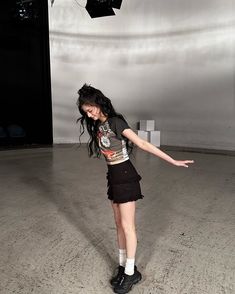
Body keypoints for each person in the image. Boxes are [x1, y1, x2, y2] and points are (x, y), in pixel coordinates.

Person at [76, 84, 194, 294]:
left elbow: (142, 143)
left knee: (128, 226)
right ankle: (123, 267)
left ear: (97, 103)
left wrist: (172, 161)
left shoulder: (115, 122)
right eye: (85, 112)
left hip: (125, 176)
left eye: (90, 109)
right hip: (113, 176)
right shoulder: (100, 125)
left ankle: (131, 273)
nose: (89, 114)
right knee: (119, 224)